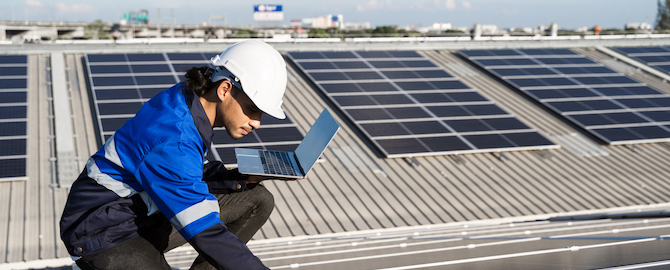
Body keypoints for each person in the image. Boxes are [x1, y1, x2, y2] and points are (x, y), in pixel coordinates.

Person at [60, 40, 293, 270]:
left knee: (258, 199)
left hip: (141, 209)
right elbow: (206, 231)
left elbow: (185, 174)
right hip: (103, 233)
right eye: (253, 109)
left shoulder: (189, 99)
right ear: (224, 89)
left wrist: (246, 177)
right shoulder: (174, 137)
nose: (257, 123)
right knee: (211, 234)